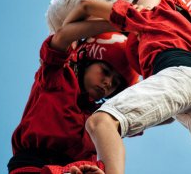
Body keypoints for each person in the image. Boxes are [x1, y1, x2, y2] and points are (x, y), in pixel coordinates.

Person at [66, 0, 191, 174]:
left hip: (180, 75)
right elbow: (168, 113)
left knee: (101, 122)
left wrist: (69, 40)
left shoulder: (151, 12)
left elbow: (86, 5)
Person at [7, 15, 139, 174]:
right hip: (34, 167)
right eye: (105, 71)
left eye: (116, 83)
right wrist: (122, 24)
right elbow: (63, 36)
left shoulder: (104, 116)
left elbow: (162, 107)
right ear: (86, 58)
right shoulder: (57, 77)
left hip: (76, 170)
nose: (108, 83)